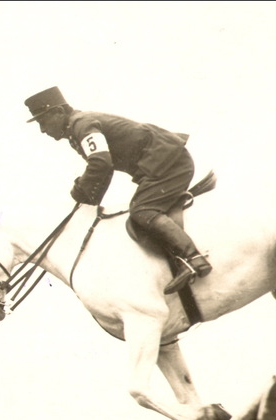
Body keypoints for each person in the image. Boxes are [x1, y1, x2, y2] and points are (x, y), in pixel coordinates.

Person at [24, 86, 213, 294]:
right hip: (163, 163)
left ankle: (193, 258)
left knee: (142, 211)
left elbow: (100, 162)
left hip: (169, 162)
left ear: (59, 112)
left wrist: (81, 190)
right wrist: (88, 201)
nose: (43, 130)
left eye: (43, 122)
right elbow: (105, 169)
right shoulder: (77, 130)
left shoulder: (81, 124)